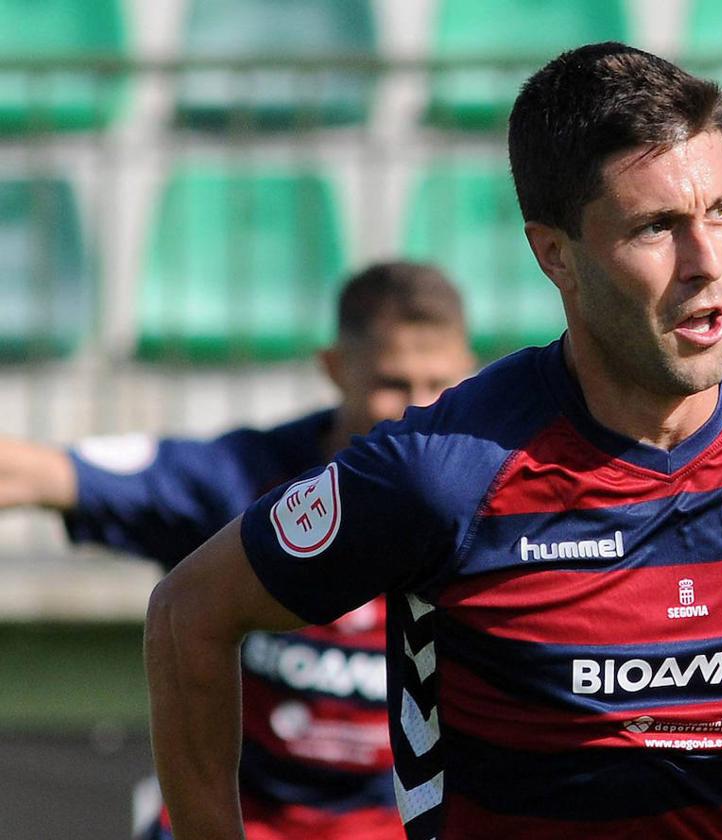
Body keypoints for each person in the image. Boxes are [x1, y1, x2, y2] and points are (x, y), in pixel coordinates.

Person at [144, 43, 722, 840]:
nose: (705, 258)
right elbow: (189, 613)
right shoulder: (447, 467)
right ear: (555, 254)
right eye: (655, 228)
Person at [0, 260, 475, 839]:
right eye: (393, 384)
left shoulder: (490, 496)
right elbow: (37, 473)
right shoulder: (243, 480)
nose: (417, 410)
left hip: (394, 824)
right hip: (243, 819)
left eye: (439, 385)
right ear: (336, 368)